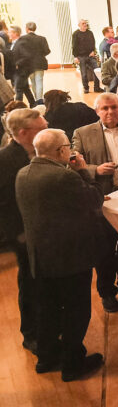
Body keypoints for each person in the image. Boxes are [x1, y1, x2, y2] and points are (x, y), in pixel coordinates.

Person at [16, 128, 104, 381]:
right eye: (67, 146)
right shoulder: (63, 177)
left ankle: (47, 357)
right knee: (76, 311)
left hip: (40, 257)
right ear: (60, 151)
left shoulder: (23, 174)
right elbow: (95, 199)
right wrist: (83, 170)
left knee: (48, 310)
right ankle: (73, 364)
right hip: (70, 258)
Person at [71, 92, 118, 312]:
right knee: (104, 250)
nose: (110, 112)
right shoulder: (83, 133)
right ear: (97, 111)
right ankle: (107, 292)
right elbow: (73, 162)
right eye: (104, 108)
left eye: (114, 107)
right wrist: (95, 169)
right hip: (102, 201)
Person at [0, 108, 47, 354]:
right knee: (30, 284)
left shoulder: (39, 151)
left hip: (46, 233)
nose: (46, 131)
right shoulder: (6, 159)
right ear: (23, 133)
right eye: (41, 129)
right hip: (25, 236)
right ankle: (31, 335)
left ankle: (48, 328)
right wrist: (18, 235)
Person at [20, 22, 50, 103]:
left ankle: (36, 99)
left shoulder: (22, 39)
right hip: (40, 63)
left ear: (26, 29)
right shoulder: (42, 38)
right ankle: (39, 100)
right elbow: (47, 51)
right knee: (39, 81)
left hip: (28, 64)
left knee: (33, 82)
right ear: (35, 28)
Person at [71, 20, 103, 93]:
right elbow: (74, 46)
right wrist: (75, 57)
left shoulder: (90, 33)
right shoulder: (76, 34)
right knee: (84, 73)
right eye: (83, 23)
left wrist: (93, 51)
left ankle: (97, 87)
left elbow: (93, 43)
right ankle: (86, 88)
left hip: (90, 55)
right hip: (81, 56)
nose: (85, 24)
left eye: (86, 23)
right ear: (79, 25)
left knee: (96, 70)